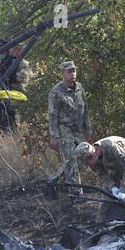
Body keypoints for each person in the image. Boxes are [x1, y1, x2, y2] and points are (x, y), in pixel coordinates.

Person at [48, 61, 93, 201]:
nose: (72, 73)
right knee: (71, 161)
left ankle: (54, 179)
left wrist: (88, 130)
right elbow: (52, 115)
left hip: (78, 129)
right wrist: (54, 136)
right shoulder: (56, 91)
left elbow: (85, 110)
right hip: (64, 129)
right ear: (62, 73)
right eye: (69, 71)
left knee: (83, 156)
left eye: (74, 70)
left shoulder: (79, 87)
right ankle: (75, 195)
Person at [74, 136, 125, 222]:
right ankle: (101, 224)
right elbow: (103, 175)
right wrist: (112, 187)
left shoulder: (112, 147)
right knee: (106, 199)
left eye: (87, 162)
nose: (88, 165)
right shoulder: (91, 160)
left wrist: (123, 190)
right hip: (116, 168)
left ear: (94, 154)